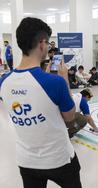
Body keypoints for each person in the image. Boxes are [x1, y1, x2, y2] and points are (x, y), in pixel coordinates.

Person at [0, 17, 82, 188]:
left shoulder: (4, 82)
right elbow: (70, 117)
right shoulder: (55, 83)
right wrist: (64, 79)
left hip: (26, 161)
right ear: (42, 43)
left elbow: (28, 93)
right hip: (59, 159)